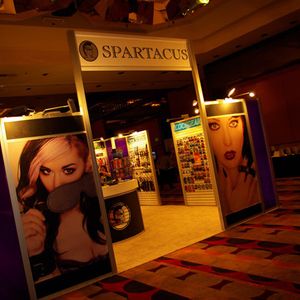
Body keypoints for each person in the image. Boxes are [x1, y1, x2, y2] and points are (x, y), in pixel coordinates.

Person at [16, 135, 110, 281]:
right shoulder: (39, 226)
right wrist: (36, 252)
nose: (56, 183)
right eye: (46, 171)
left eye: (68, 171)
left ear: (86, 165)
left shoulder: (98, 208)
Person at [207, 115, 259, 215]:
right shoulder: (215, 180)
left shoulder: (257, 176)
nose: (227, 141)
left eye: (233, 123)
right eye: (214, 126)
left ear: (243, 126)